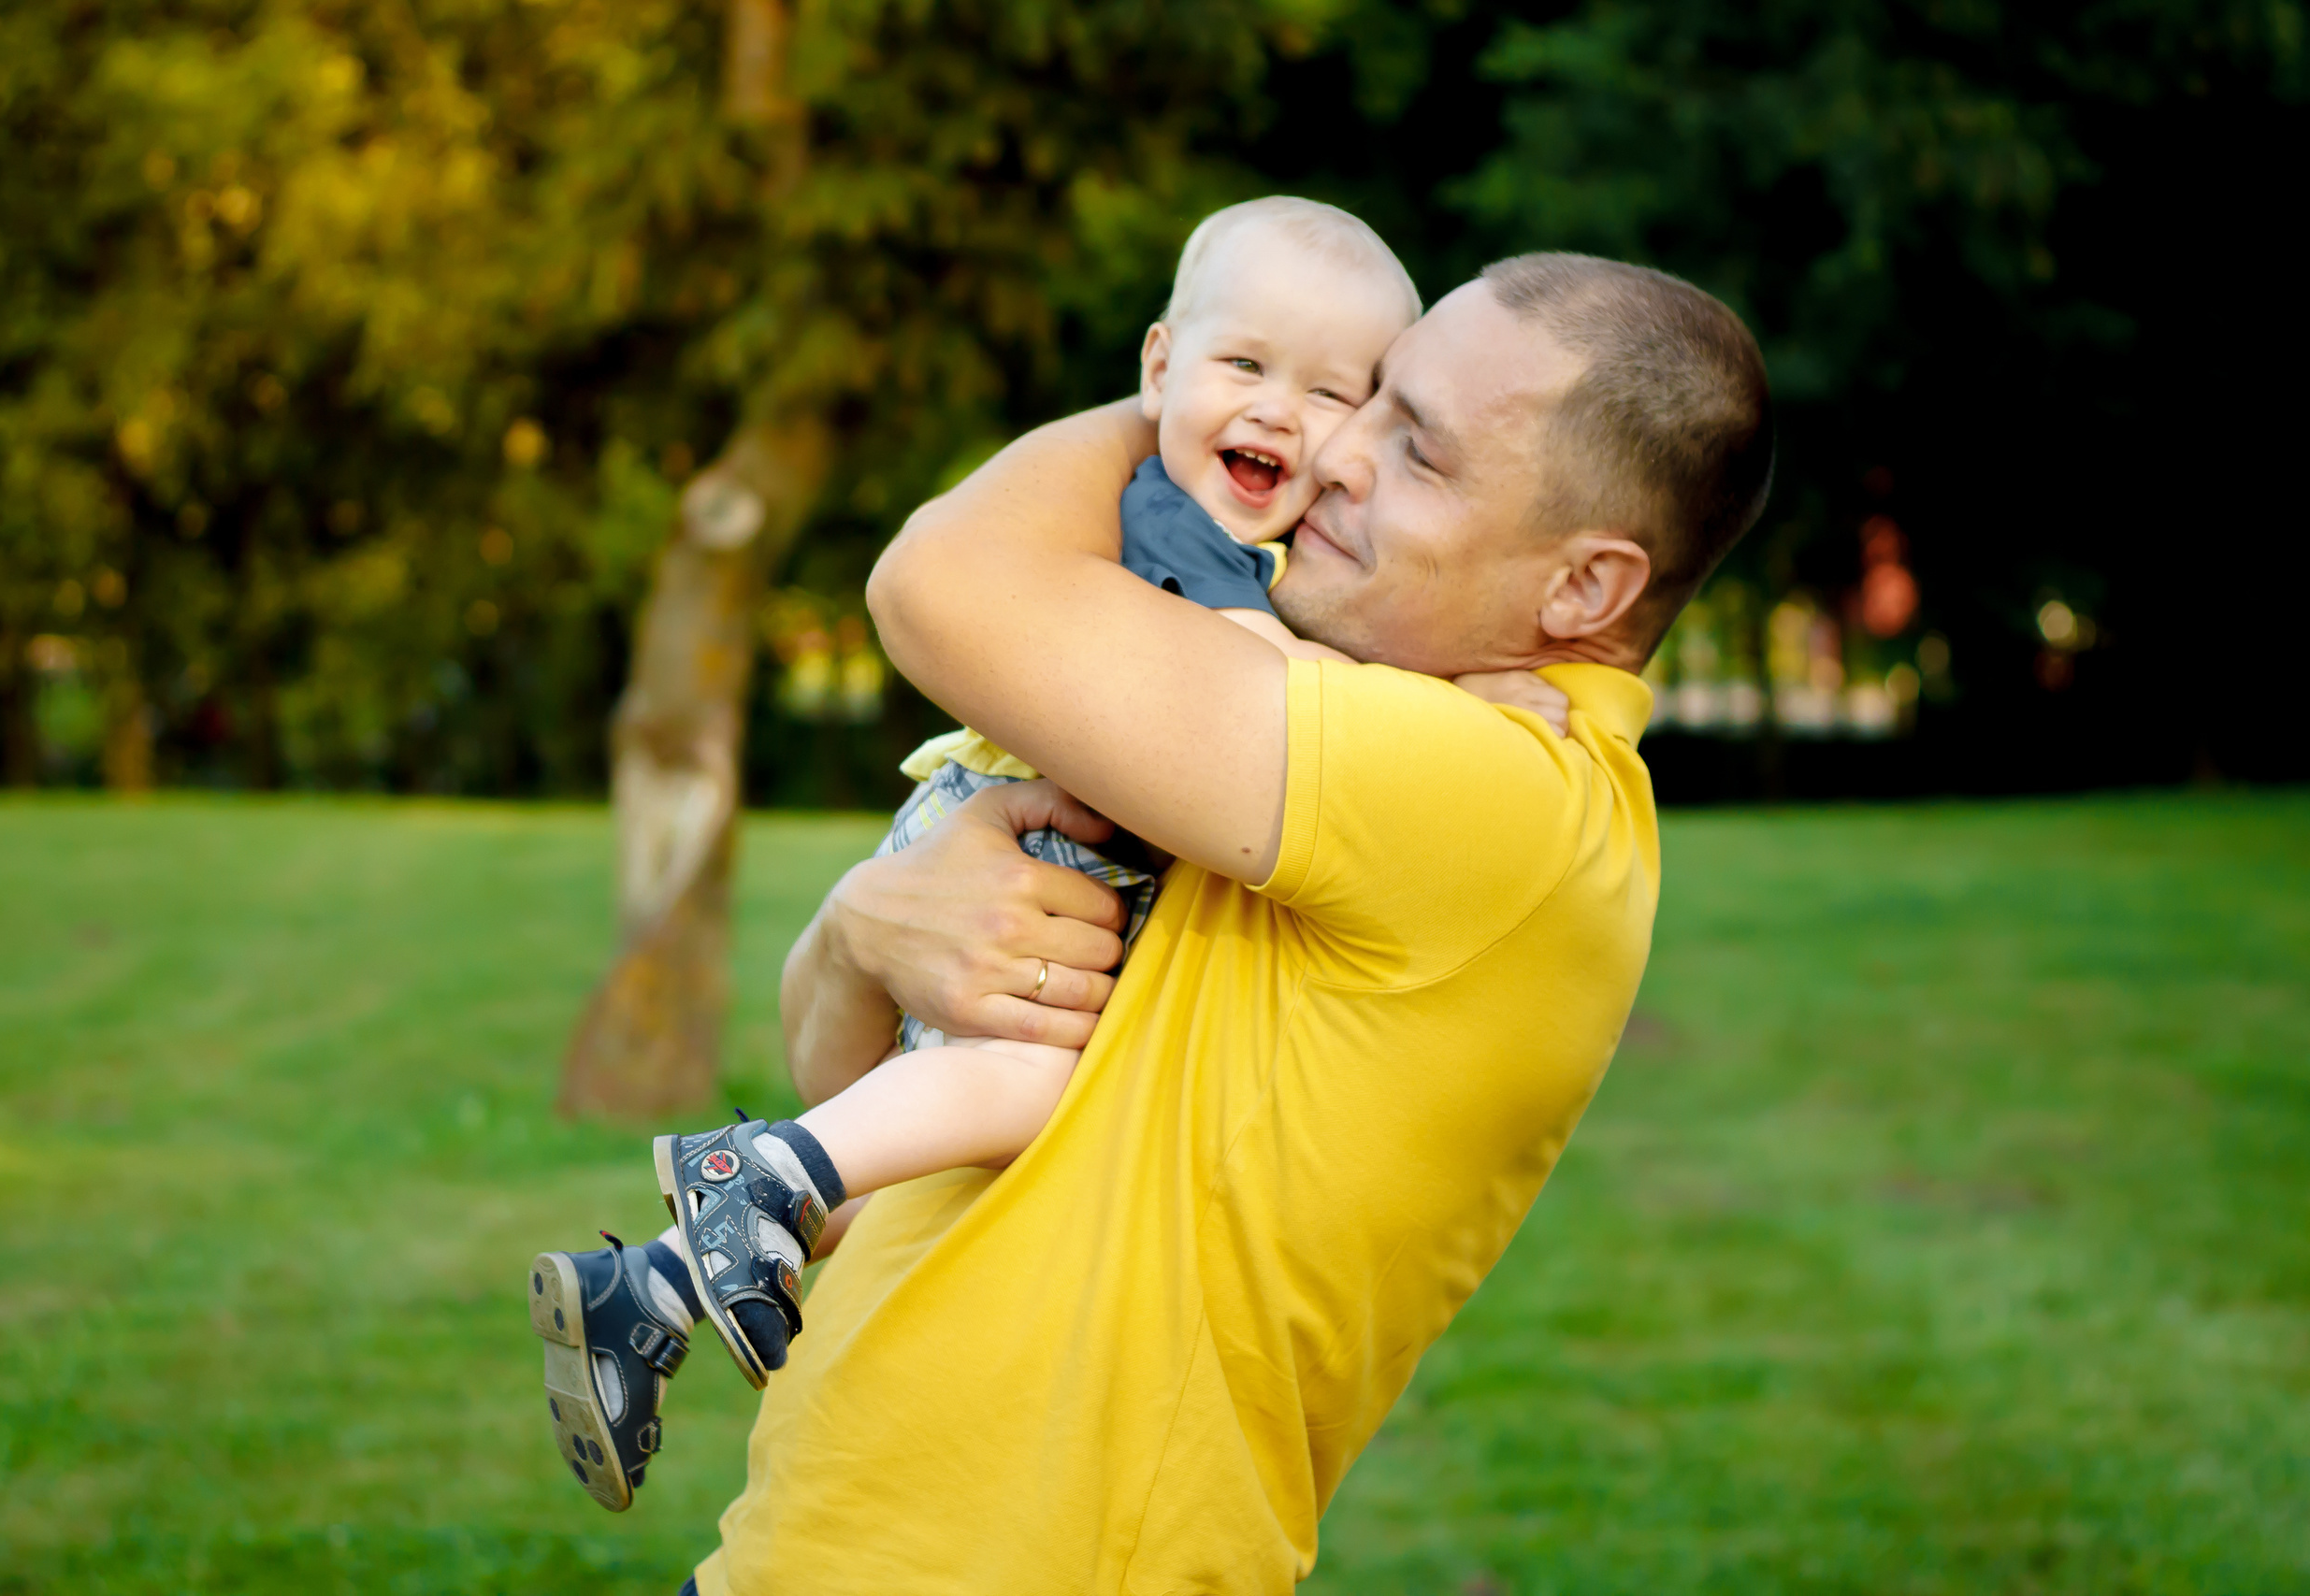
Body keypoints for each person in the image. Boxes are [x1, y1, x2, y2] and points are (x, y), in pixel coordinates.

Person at [679, 250, 1773, 1594]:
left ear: (1585, 591)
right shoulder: (1303, 703)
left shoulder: (1501, 796)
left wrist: (1188, 391)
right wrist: (863, 932)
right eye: (1366, 399)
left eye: (1416, 451)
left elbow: (935, 585)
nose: (1334, 454)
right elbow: (846, 1095)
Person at [524, 199, 1571, 1511]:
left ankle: (651, 1293)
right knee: (1029, 1081)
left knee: (885, 1198)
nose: (1280, 414)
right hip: (1033, 833)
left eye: (1332, 394)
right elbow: (1261, 687)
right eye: (1243, 368)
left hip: (1033, 860)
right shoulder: (1175, 522)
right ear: (1158, 369)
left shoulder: (1262, 548)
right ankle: (756, 1171)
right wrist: (1464, 711)